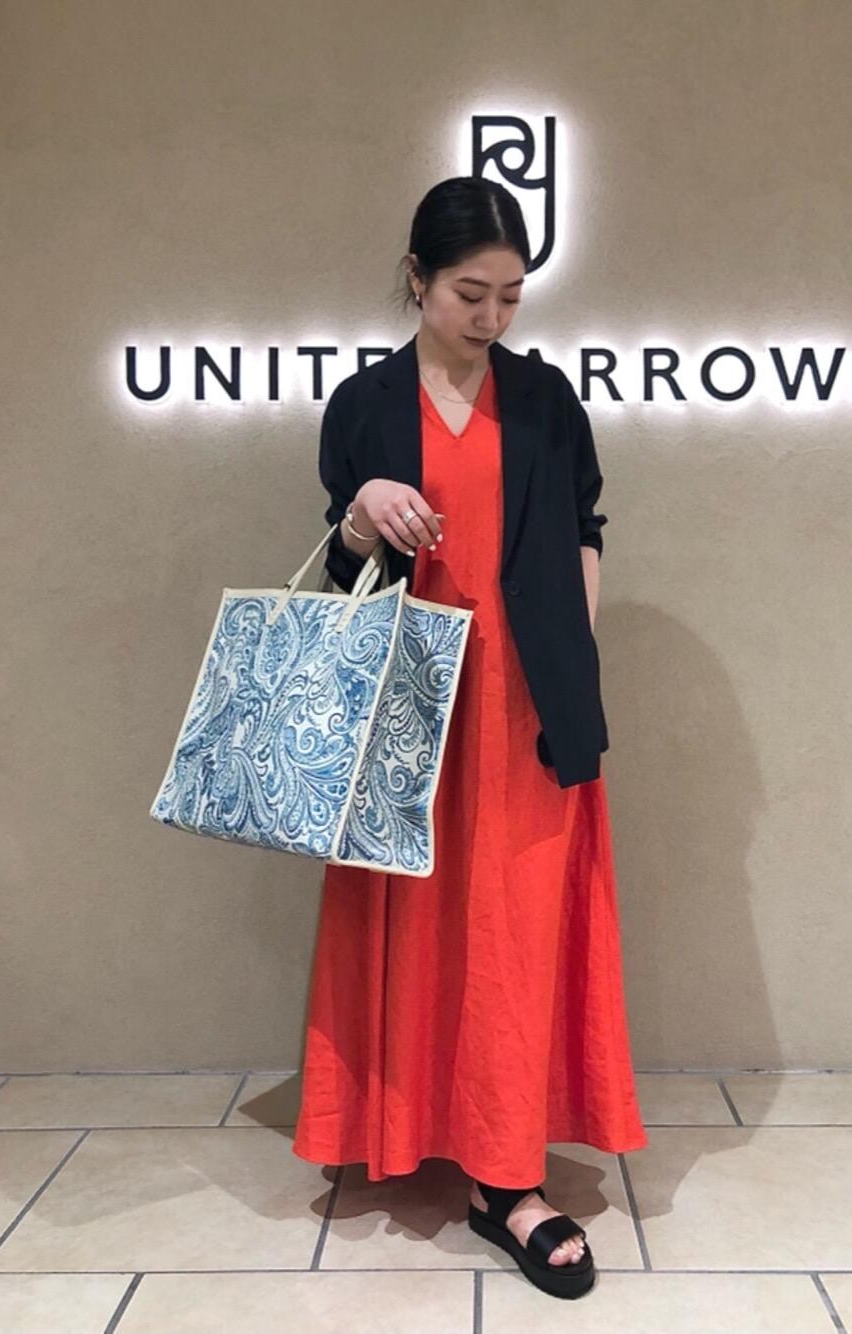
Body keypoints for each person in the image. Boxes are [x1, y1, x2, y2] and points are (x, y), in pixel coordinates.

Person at [292, 177, 648, 1299]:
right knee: (410, 922)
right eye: (468, 292)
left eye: (510, 295)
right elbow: (341, 566)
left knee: (511, 939)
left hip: (524, 706)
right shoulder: (363, 403)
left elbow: (584, 532)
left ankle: (507, 1178)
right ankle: (402, 1128)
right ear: (416, 278)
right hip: (408, 710)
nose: (491, 315)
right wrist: (362, 516)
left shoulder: (544, 399)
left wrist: (572, 665)